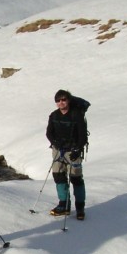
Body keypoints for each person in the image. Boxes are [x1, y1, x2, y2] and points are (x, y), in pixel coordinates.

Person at [46, 89, 88, 220]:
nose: (61, 102)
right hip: (58, 150)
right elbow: (49, 133)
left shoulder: (77, 115)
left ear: (68, 100)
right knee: (58, 176)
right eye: (58, 100)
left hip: (73, 150)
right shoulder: (53, 115)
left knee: (76, 178)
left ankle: (80, 208)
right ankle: (64, 205)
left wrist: (77, 149)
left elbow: (82, 136)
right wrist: (55, 143)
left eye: (63, 100)